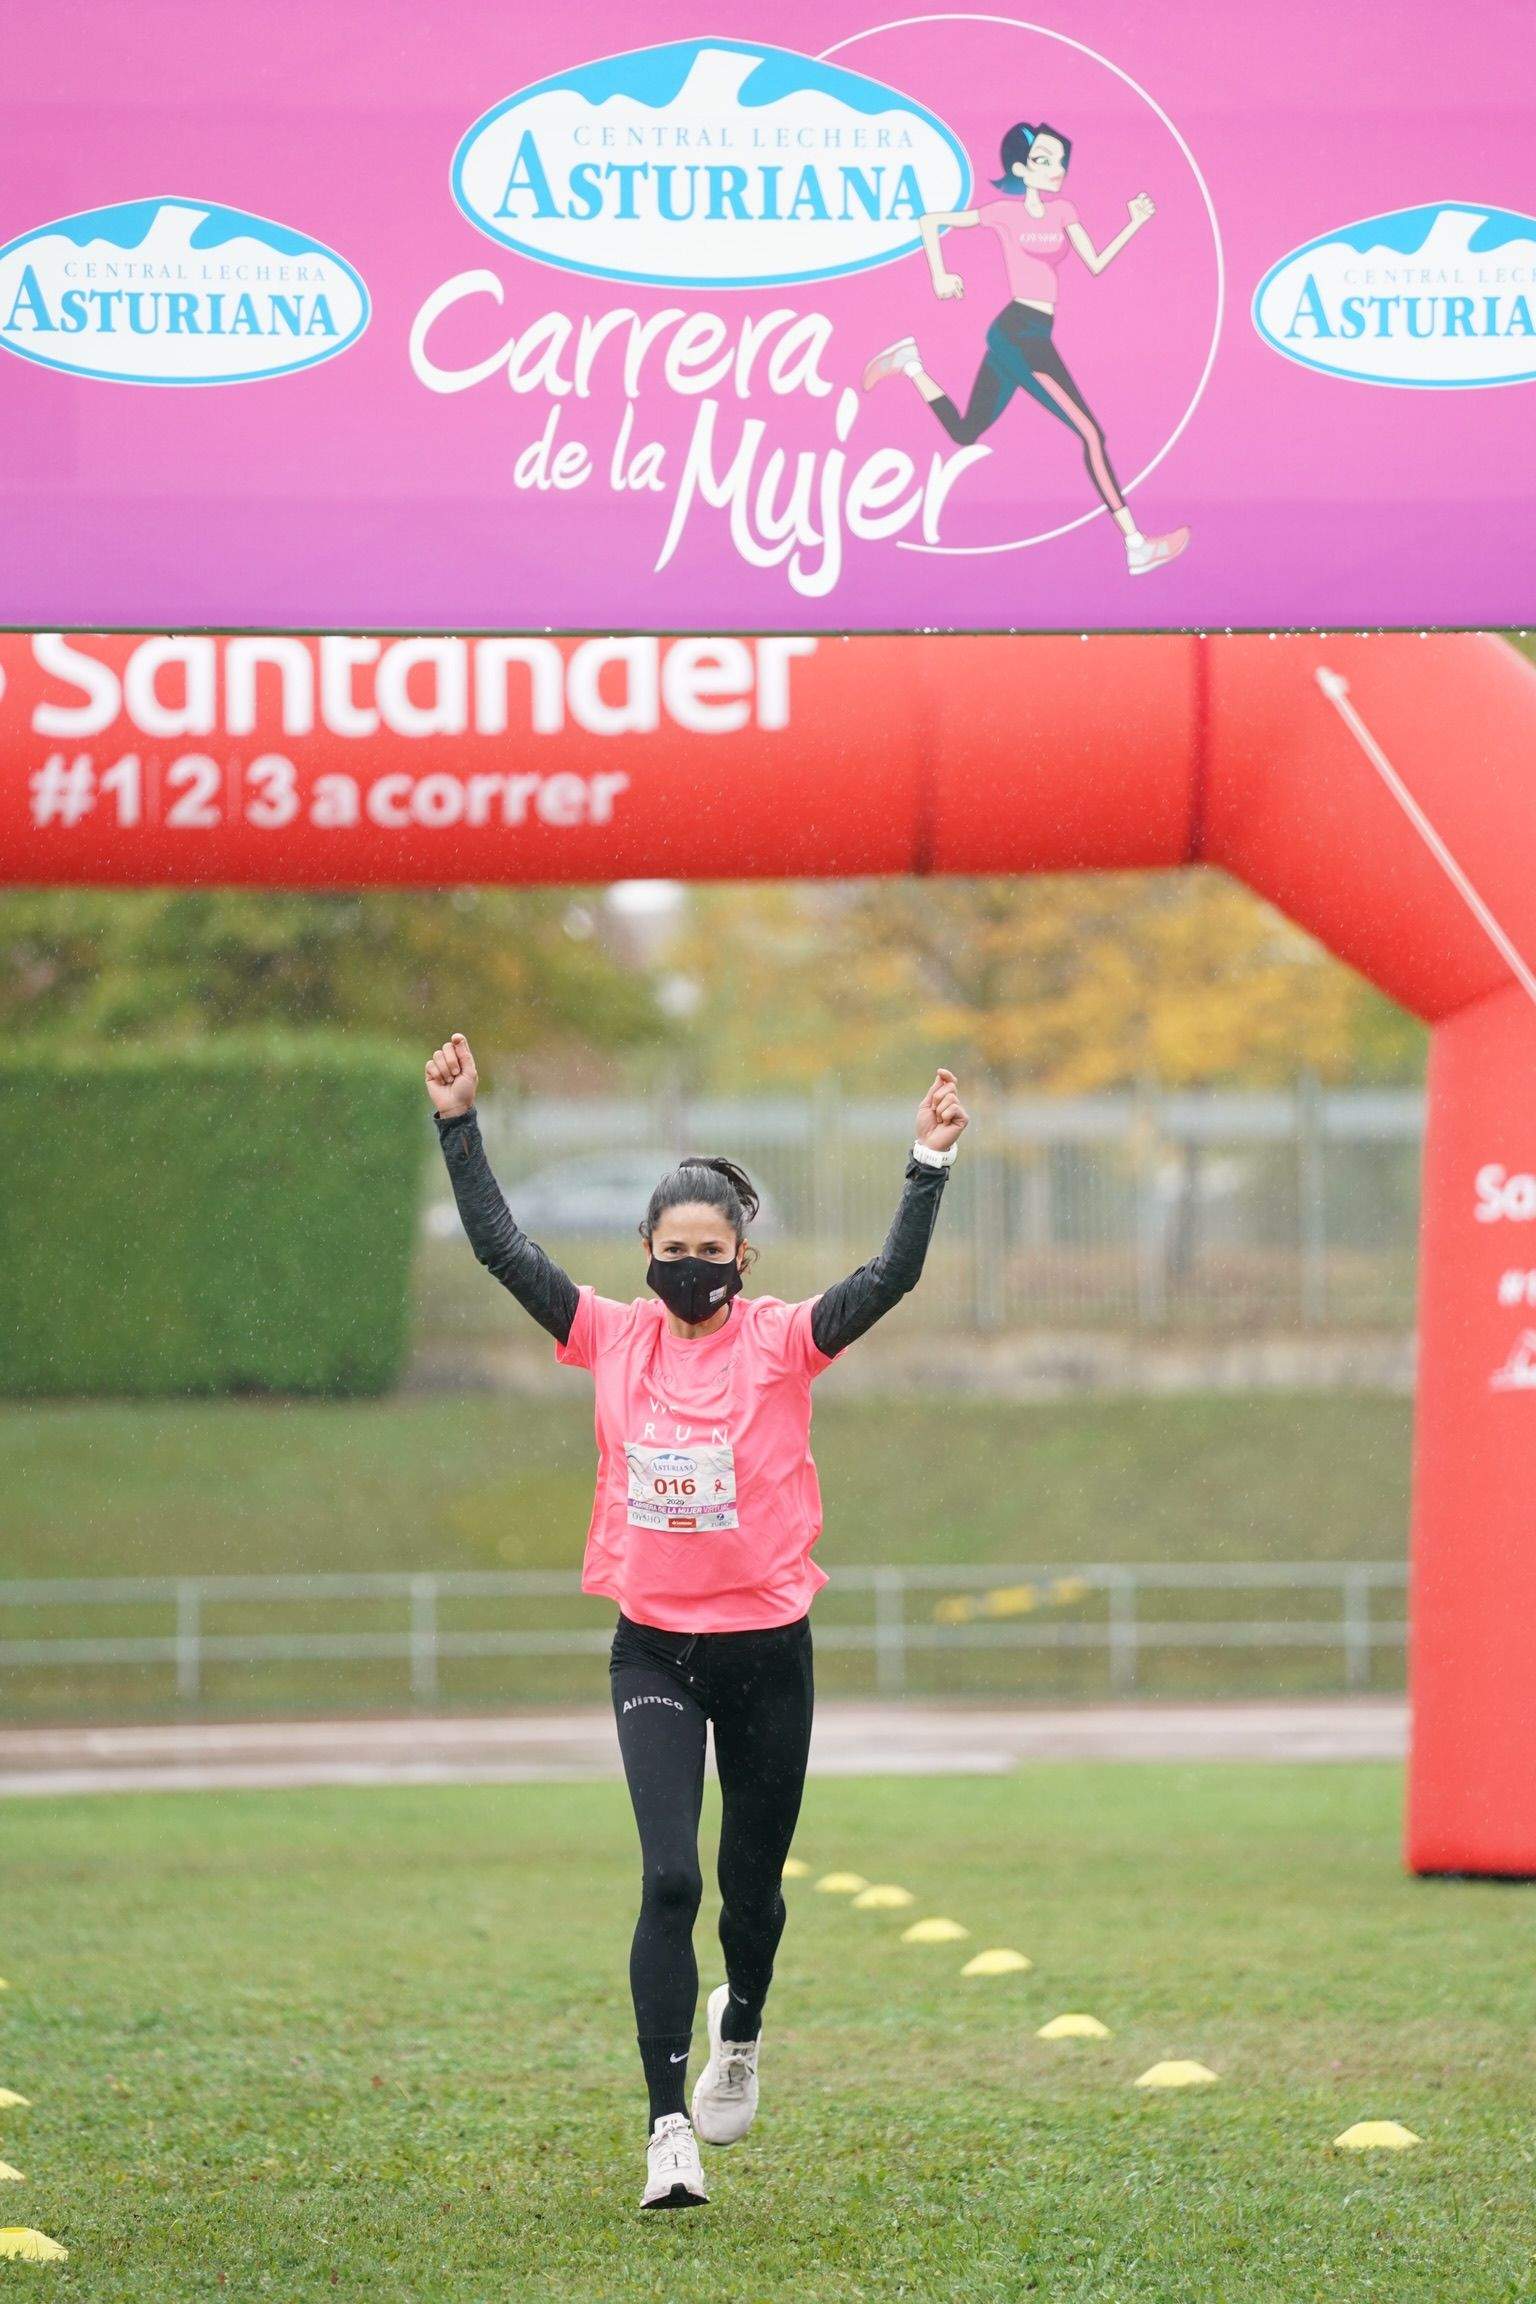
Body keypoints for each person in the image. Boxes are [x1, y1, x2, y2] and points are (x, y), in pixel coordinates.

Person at [425, 1032, 968, 2210]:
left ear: (740, 1256)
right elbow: (502, 1250)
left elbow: (889, 1281)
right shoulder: (610, 1337)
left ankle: (745, 2032)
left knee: (751, 1892)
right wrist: (459, 1126)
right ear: (645, 1255)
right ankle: (667, 2129)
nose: (689, 1268)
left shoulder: (780, 1342)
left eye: (708, 1252)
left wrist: (925, 1161)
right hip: (654, 1646)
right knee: (670, 1879)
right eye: (671, 1252)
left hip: (769, 1651)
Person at [862, 118, 1190, 576]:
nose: (1055, 168)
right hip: (1017, 331)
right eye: (1043, 160)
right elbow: (930, 221)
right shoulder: (1003, 213)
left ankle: (911, 364)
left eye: (1059, 161)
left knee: (964, 432)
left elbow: (1095, 263)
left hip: (1033, 332)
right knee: (1091, 433)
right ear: (1021, 167)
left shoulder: (1065, 213)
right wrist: (940, 274)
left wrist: (1132, 224)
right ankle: (1136, 545)